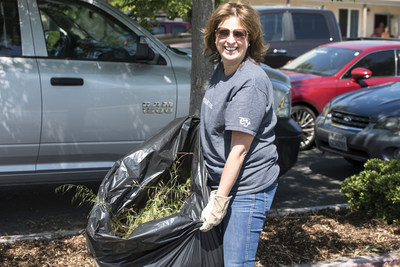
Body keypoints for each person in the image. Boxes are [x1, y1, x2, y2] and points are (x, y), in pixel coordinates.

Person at [199, 1, 280, 266]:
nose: (230, 40)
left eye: (239, 33)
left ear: (250, 38)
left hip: (246, 189)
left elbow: (239, 149)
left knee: (236, 264)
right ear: (214, 36)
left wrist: (219, 201)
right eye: (223, 32)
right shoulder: (222, 70)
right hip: (223, 183)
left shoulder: (250, 82)